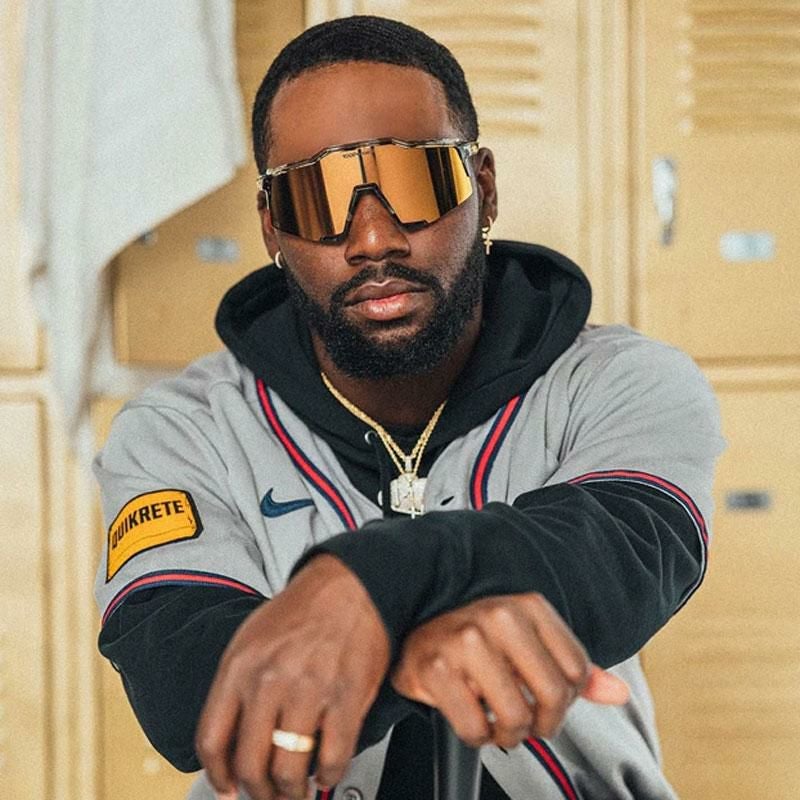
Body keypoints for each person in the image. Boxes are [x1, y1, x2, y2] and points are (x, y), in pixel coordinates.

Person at [93, 15, 724, 800]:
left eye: (414, 182)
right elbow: (181, 688)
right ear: (271, 227)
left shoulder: (619, 381)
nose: (373, 238)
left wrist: (363, 587)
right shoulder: (181, 430)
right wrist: (411, 650)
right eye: (318, 198)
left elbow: (625, 552)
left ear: (483, 187)